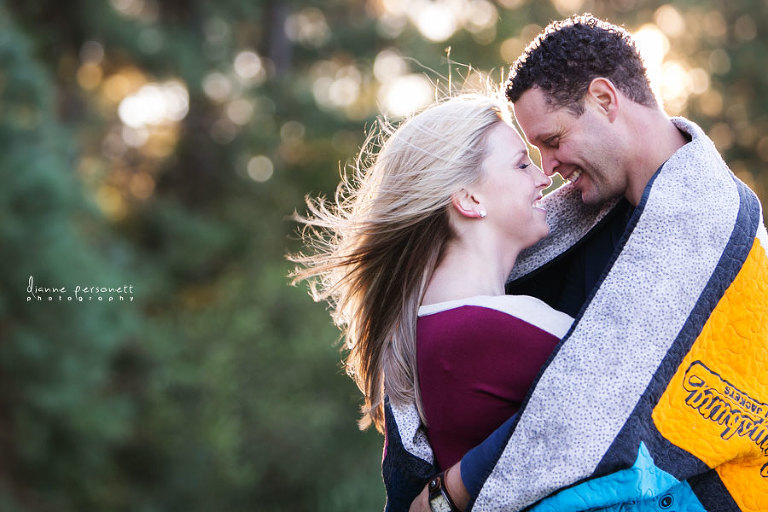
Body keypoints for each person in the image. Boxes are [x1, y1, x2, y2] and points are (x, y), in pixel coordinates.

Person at [400, 14, 768, 512]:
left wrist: (449, 494)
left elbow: (591, 405)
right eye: (532, 153)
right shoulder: (573, 220)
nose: (548, 170)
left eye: (552, 142)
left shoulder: (716, 234)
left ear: (603, 99)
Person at [289, 92, 580, 509]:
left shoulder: (427, 325)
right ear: (469, 199)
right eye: (521, 164)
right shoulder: (495, 329)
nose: (543, 177)